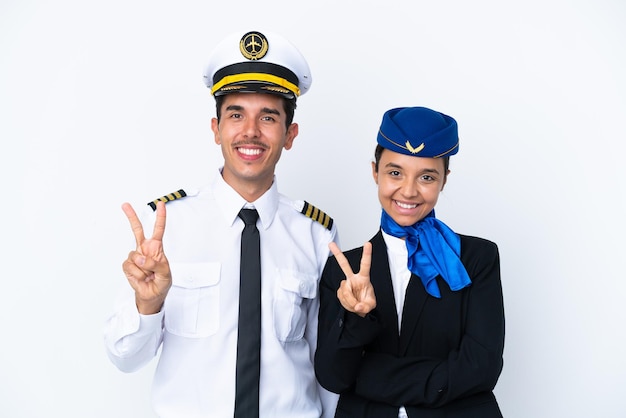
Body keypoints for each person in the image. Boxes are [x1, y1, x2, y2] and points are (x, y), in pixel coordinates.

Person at [104, 30, 339, 418]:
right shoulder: (166, 225)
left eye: (268, 116)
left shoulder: (316, 233)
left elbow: (326, 363)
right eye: (235, 115)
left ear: (290, 134)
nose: (250, 131)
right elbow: (124, 358)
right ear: (215, 130)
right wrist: (148, 303)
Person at [314, 106, 505, 417]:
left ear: (444, 180)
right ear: (375, 171)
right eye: (394, 173)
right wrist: (358, 318)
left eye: (427, 177)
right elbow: (333, 376)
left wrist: (368, 378)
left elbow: (481, 368)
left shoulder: (477, 259)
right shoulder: (345, 268)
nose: (409, 191)